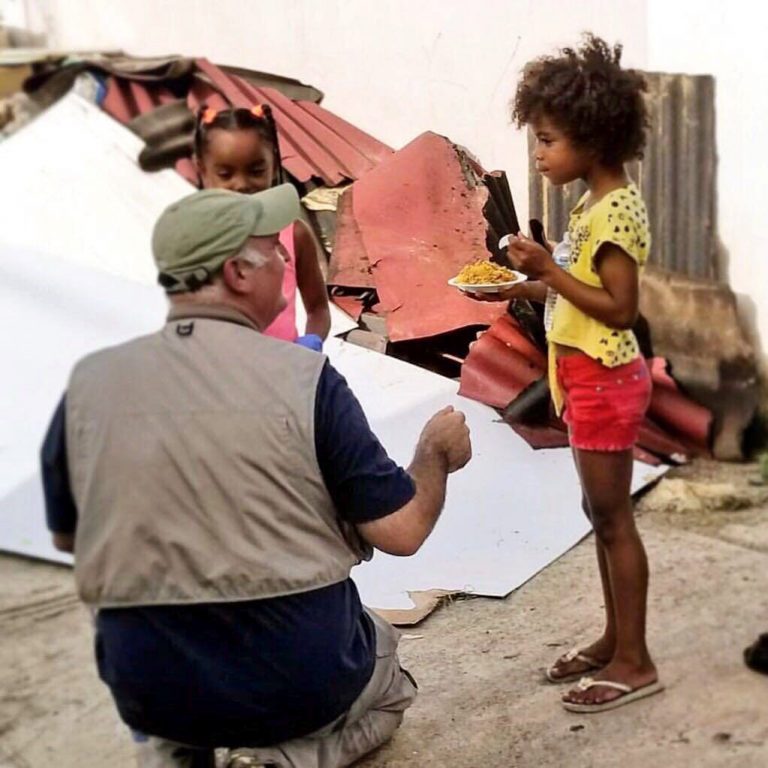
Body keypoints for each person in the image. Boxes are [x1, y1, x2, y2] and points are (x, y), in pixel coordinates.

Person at [40, 184, 472, 766]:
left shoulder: (90, 383)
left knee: (176, 668)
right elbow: (402, 532)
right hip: (296, 686)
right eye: (275, 252)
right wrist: (434, 453)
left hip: (147, 690)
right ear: (238, 273)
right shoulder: (304, 379)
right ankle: (283, 762)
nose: (284, 265)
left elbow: (70, 538)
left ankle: (174, 751)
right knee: (390, 678)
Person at [470, 34, 663, 713]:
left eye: (549, 140)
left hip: (607, 382)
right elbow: (576, 289)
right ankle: (617, 637)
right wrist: (519, 289)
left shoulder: (615, 211)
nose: (539, 154)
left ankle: (636, 661)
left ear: (594, 137)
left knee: (613, 521)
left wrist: (547, 270)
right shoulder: (591, 204)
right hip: (586, 380)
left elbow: (618, 308)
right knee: (599, 512)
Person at [194, 103, 330, 348]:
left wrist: (310, 342)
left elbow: (318, 309)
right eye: (225, 174)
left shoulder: (294, 234)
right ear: (203, 172)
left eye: (256, 170)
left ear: (274, 166)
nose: (242, 184)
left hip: (283, 371)